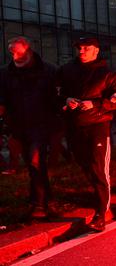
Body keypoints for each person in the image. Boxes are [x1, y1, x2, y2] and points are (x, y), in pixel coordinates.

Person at [56, 37, 116, 232]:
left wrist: (95, 104)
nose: (82, 51)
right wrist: (66, 100)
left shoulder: (107, 74)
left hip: (98, 126)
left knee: (98, 168)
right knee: (84, 164)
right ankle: (99, 195)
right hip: (74, 126)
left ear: (96, 51)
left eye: (86, 48)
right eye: (79, 48)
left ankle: (100, 213)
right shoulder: (66, 70)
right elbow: (55, 94)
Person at [0, 37, 59, 218]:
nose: (14, 55)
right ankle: (45, 198)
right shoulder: (6, 73)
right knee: (33, 164)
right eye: (12, 52)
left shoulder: (47, 71)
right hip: (18, 125)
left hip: (41, 124)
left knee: (35, 162)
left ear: (28, 51)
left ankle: (39, 204)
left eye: (18, 51)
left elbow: (56, 98)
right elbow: (3, 99)